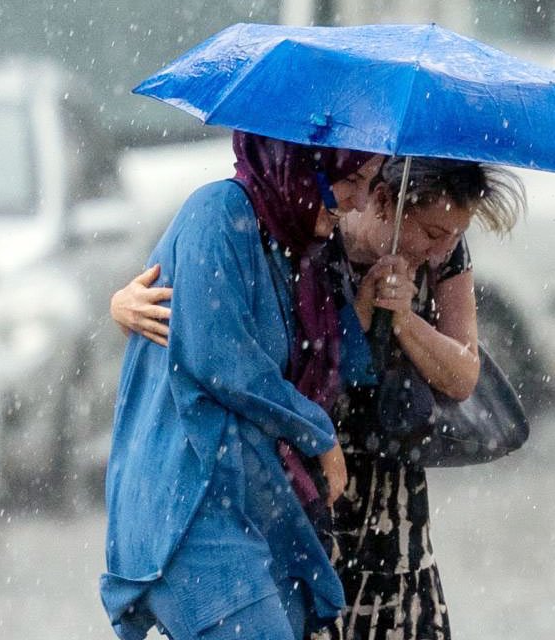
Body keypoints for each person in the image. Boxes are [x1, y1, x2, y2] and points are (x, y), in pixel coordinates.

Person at [110, 156, 525, 639]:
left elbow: (462, 374)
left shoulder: (441, 253)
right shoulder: (306, 228)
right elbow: (226, 336)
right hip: (303, 471)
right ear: (386, 203)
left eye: (455, 235)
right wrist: (124, 309)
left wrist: (403, 317)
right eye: (433, 233)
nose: (443, 249)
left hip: (383, 478)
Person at [100, 130, 383, 640]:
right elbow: (222, 360)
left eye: (372, 182)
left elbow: (328, 362)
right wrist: (317, 433)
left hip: (260, 506)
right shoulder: (218, 213)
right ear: (301, 162)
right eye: (352, 179)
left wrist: (383, 302)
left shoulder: (298, 245)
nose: (360, 201)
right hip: (190, 509)